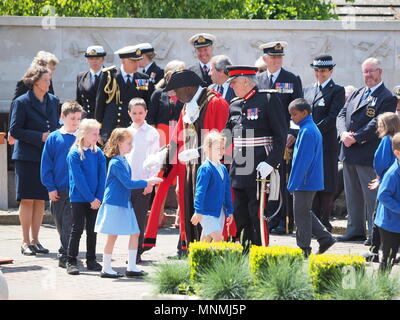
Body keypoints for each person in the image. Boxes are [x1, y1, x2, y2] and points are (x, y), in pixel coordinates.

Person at [142, 70, 230, 256]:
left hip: (210, 169)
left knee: (207, 212)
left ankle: (211, 254)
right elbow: (177, 139)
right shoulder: (187, 106)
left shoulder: (216, 102)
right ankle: (191, 251)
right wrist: (163, 156)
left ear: (189, 88)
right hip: (191, 169)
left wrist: (199, 151)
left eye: (176, 91)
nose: (175, 96)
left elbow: (223, 138)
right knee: (191, 206)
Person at [225, 65, 287, 252]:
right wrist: (202, 148)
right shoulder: (234, 103)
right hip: (240, 165)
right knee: (240, 213)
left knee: (257, 213)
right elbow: (227, 135)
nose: (232, 86)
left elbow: (280, 135)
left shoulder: (268, 99)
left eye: (234, 82)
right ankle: (244, 252)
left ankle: (260, 253)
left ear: (245, 81)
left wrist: (271, 163)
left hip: (260, 165)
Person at [336, 57, 397, 244]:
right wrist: (343, 133)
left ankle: (373, 234)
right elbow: (342, 114)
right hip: (348, 151)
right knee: (352, 195)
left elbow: (377, 123)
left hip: (367, 153)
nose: (368, 74)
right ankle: (355, 230)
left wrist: (355, 137)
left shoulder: (387, 97)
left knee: (371, 196)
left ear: (380, 72)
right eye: (365, 71)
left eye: (371, 70)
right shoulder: (357, 93)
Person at [94, 128, 162, 278]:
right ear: (119, 143)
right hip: (114, 203)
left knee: (135, 232)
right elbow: (127, 183)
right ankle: (106, 268)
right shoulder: (115, 162)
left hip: (124, 202)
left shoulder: (124, 161)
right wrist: (147, 182)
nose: (131, 146)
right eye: (129, 143)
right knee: (112, 236)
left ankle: (131, 267)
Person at [9, 64, 60, 256]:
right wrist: (40, 136)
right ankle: (25, 241)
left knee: (40, 199)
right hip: (26, 157)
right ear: (35, 82)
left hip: (46, 156)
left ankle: (36, 240)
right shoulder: (21, 102)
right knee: (27, 199)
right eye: (46, 80)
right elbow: (15, 130)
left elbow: (55, 124)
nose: (49, 83)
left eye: (49, 80)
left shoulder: (53, 101)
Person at [256, 41, 303, 234]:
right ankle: (265, 217)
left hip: (284, 139)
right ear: (265, 59)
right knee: (264, 181)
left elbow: (299, 108)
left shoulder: (291, 78)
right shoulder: (257, 79)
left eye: (279, 57)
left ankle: (283, 220)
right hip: (262, 138)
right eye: (273, 57)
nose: (276, 61)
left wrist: (292, 133)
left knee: (281, 180)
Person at [287, 98, 336, 257]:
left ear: (304, 113)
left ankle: (304, 248)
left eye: (294, 114)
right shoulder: (308, 128)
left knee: (300, 215)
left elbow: (303, 161)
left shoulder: (307, 130)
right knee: (304, 211)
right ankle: (324, 238)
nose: (292, 118)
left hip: (305, 181)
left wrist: (293, 183)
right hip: (308, 180)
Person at [303, 55, 345, 232]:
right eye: (317, 70)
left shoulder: (337, 90)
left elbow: (332, 116)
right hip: (309, 145)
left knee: (327, 183)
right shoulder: (308, 90)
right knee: (312, 181)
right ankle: (313, 221)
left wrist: (312, 132)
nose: (320, 74)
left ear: (331, 71)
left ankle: (324, 220)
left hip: (326, 144)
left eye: (323, 71)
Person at [41, 101, 84, 268]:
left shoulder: (82, 138)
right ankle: (65, 249)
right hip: (58, 188)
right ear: (62, 117)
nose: (75, 122)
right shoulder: (54, 138)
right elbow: (46, 165)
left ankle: (65, 254)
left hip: (76, 189)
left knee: (70, 223)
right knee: (60, 223)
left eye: (78, 118)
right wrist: (50, 187)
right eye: (72, 118)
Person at [66, 119, 106, 275]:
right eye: (94, 133)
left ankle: (91, 259)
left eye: (98, 133)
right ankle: (70, 260)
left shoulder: (98, 153)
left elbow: (102, 177)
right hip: (79, 198)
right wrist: (90, 198)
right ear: (84, 134)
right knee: (77, 229)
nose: (97, 136)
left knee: (92, 230)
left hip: (95, 200)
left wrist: (98, 198)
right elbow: (79, 179)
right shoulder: (74, 153)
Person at [95, 45, 154, 144]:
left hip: (134, 129)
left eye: (138, 61)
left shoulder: (143, 79)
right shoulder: (109, 76)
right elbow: (100, 104)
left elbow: (147, 103)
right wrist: (98, 130)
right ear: (123, 61)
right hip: (111, 130)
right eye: (133, 61)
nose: (136, 65)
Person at [125, 98, 160, 262]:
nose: (138, 116)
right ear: (129, 113)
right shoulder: (126, 132)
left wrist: (150, 182)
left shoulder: (152, 133)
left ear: (146, 113)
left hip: (143, 182)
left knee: (139, 218)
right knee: (125, 218)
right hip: (127, 182)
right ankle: (127, 249)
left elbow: (154, 159)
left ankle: (136, 252)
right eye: (134, 113)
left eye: (141, 113)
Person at [363, 112, 400, 262]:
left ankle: (374, 250)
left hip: (386, 180)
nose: (378, 127)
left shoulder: (386, 140)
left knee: (377, 217)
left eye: (380, 124)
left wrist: (379, 177)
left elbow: (380, 161)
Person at [8, 51, 59, 146]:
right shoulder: (25, 83)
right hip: (28, 131)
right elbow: (15, 104)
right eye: (50, 68)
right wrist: (10, 130)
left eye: (53, 68)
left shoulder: (48, 81)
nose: (52, 71)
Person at [191, 131, 234, 242]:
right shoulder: (205, 168)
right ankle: (217, 260)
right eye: (217, 149)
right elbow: (200, 191)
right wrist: (198, 211)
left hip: (219, 211)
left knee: (206, 239)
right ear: (208, 149)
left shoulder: (223, 169)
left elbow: (227, 192)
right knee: (218, 239)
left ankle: (199, 259)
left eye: (223, 148)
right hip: (206, 212)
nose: (221, 151)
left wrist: (229, 210)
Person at [374, 132, 400, 271]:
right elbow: (383, 195)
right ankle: (382, 287)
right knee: (388, 257)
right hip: (389, 224)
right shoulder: (393, 173)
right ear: (397, 153)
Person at [147, 60, 186, 147]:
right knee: (164, 160)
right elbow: (150, 119)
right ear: (169, 75)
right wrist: (154, 140)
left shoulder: (186, 94)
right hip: (161, 136)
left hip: (180, 135)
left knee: (176, 159)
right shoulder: (158, 94)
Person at [76, 46, 106, 119]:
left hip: (104, 119)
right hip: (87, 119)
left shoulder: (110, 76)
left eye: (97, 58)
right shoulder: (81, 76)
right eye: (91, 59)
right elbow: (79, 101)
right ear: (87, 60)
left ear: (103, 60)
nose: (94, 61)